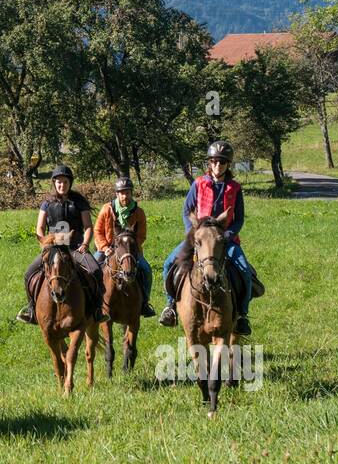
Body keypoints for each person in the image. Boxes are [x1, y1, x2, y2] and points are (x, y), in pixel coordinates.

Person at [159, 140, 257, 336]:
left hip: (225, 240)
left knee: (245, 270)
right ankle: (170, 306)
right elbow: (187, 209)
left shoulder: (235, 188)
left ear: (228, 164)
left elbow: (238, 218)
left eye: (222, 162)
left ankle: (242, 315)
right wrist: (194, 233)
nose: (217, 166)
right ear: (209, 163)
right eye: (214, 162)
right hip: (200, 238)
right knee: (169, 263)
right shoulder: (199, 183)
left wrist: (227, 235)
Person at [16, 165, 108, 325]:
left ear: (69, 183)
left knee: (95, 271)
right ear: (54, 183)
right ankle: (31, 310)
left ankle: (97, 310)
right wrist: (45, 243)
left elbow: (88, 227)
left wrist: (85, 243)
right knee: (29, 273)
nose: (61, 185)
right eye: (58, 182)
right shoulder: (46, 203)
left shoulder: (79, 201)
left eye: (65, 182)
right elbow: (39, 227)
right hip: (53, 249)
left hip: (75, 247)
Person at [92, 176, 155, 317]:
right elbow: (97, 231)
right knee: (93, 268)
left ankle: (145, 302)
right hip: (107, 249)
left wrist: (131, 248)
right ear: (117, 194)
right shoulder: (107, 210)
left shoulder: (139, 213)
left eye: (127, 192)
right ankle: (94, 303)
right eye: (121, 193)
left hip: (130, 251)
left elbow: (141, 235)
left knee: (146, 270)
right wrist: (104, 247)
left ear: (131, 193)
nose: (124, 196)